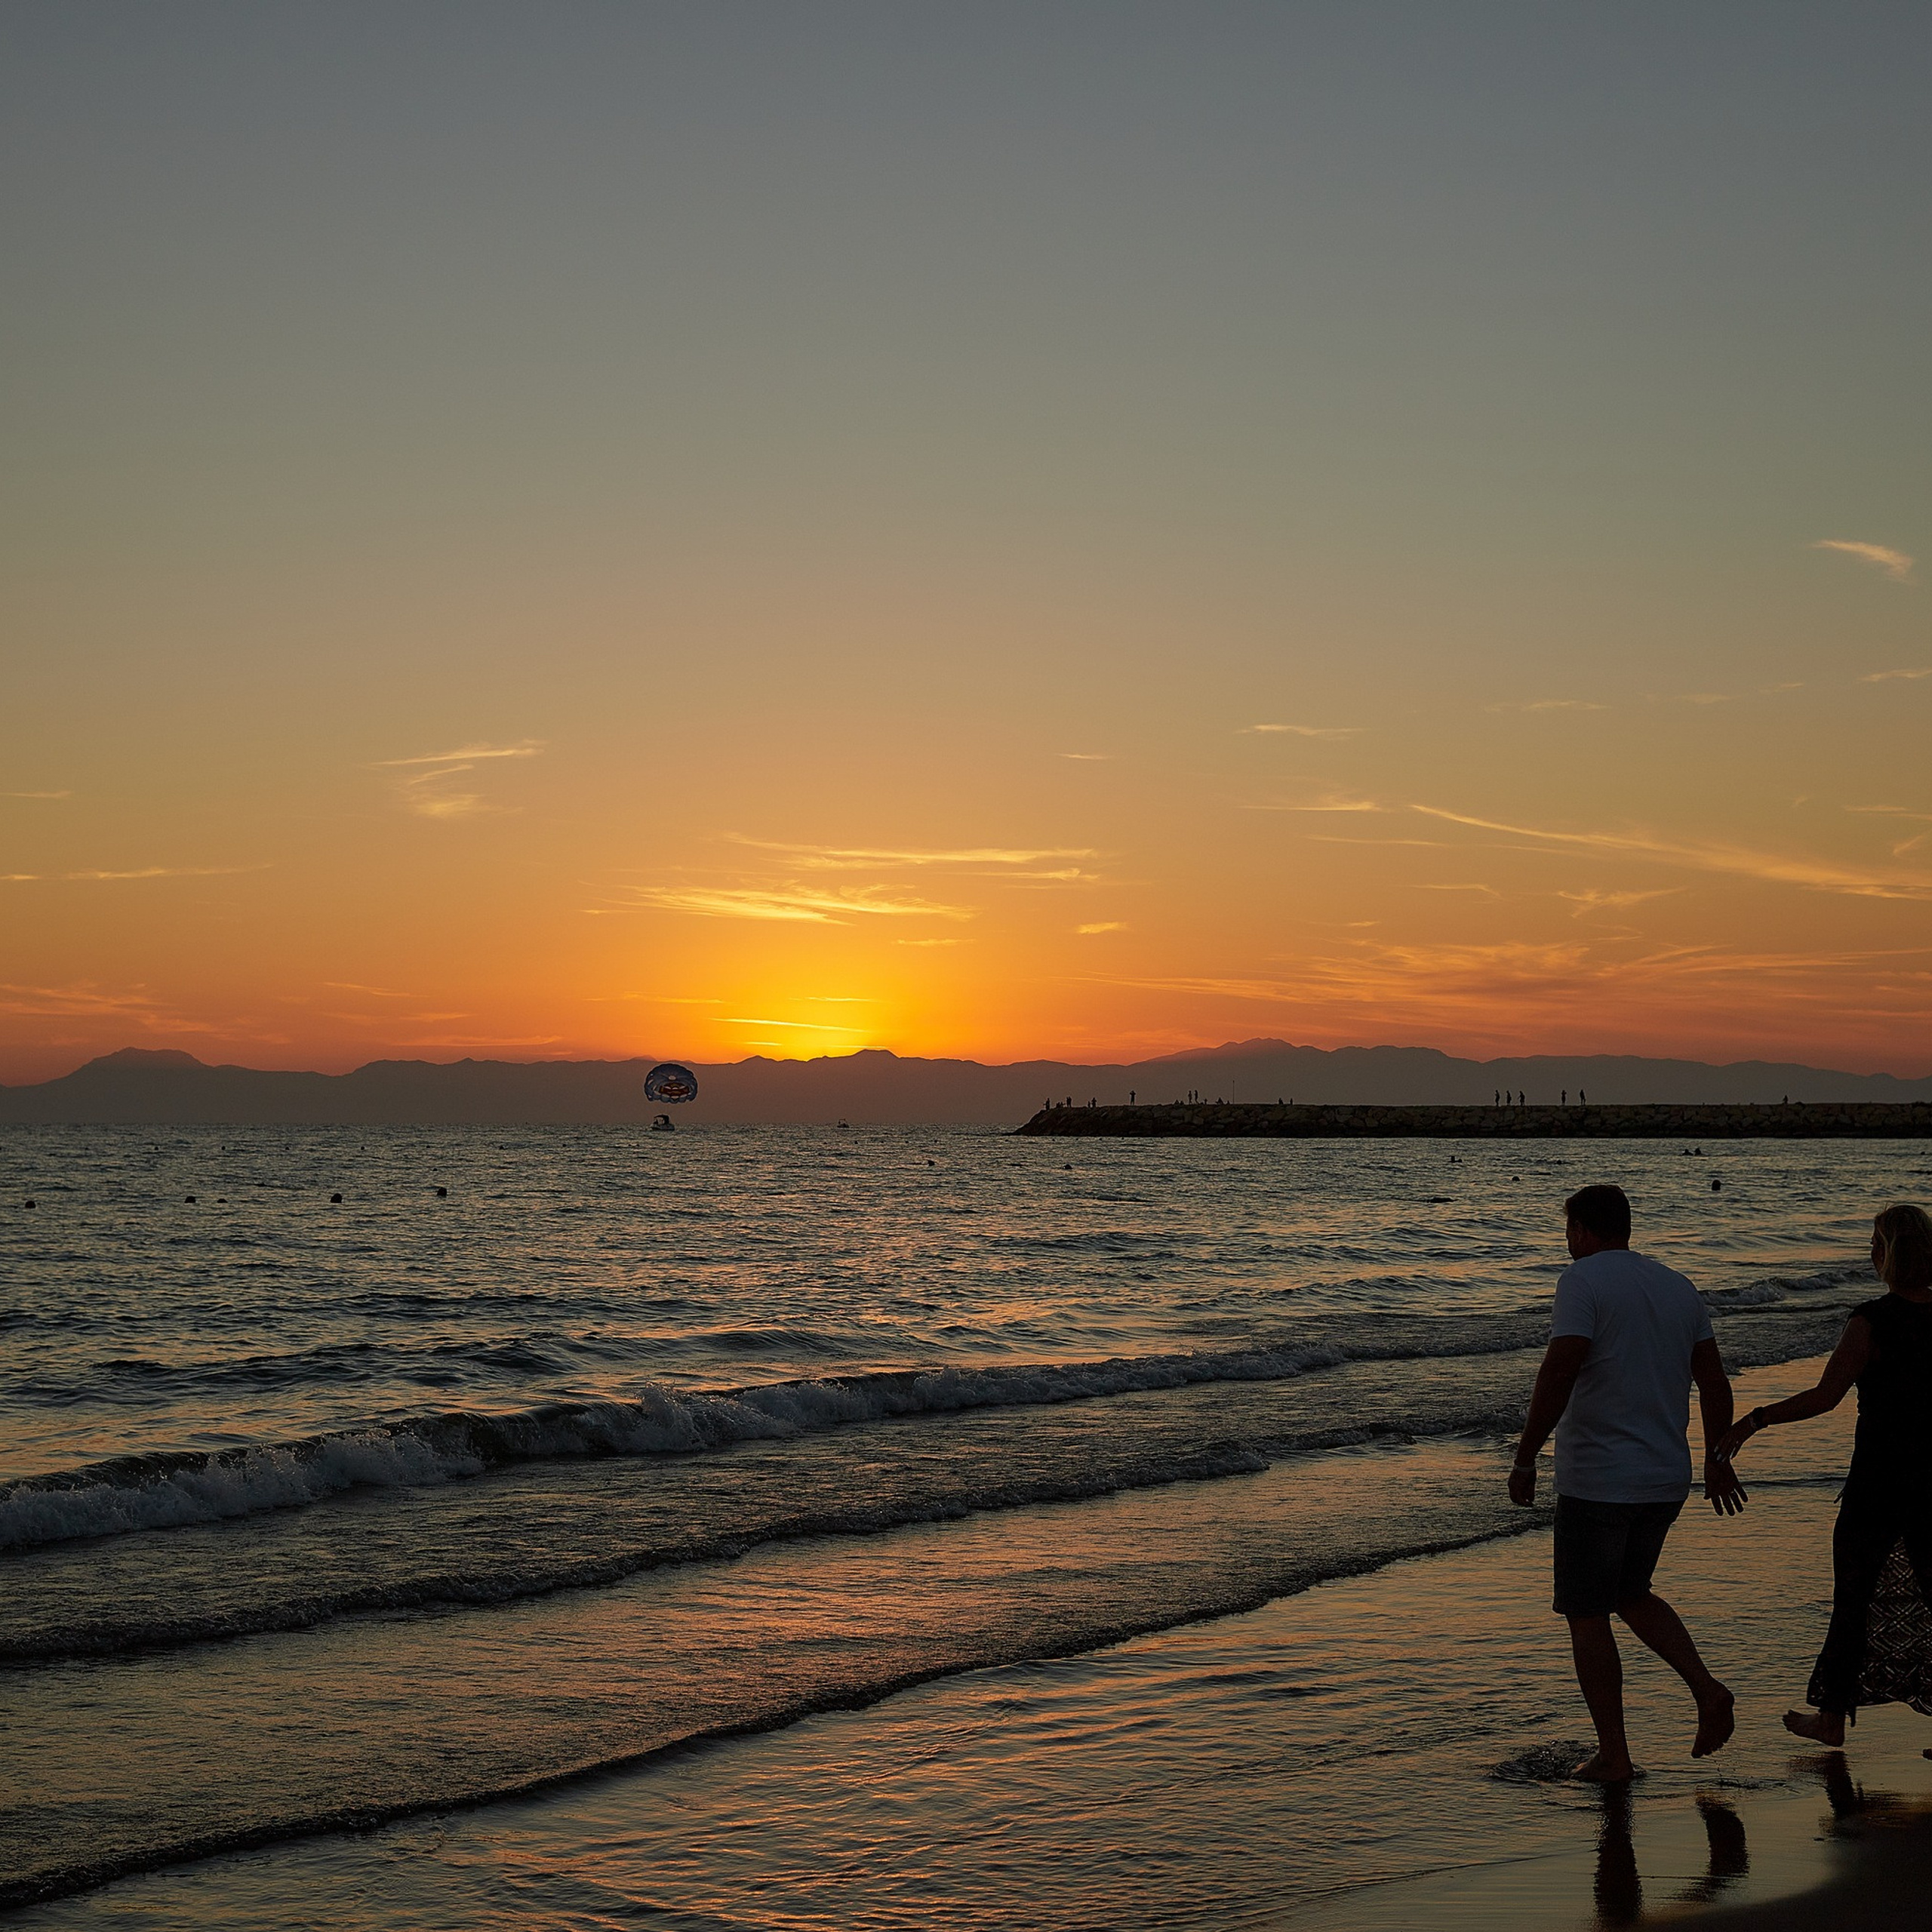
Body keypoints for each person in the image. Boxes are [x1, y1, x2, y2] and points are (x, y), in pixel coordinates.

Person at [1510, 1183, 1746, 1780]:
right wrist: (1718, 1456)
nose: (1569, 1243)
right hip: (1665, 1476)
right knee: (1630, 1592)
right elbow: (1714, 1381)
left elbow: (1561, 1367)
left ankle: (1615, 1753)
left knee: (1587, 1613)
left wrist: (1526, 1454)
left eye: (1569, 1232)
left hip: (1599, 1480)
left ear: (1583, 1232)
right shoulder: (1677, 1286)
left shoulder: (1582, 1281)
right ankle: (1707, 1689)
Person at [1715, 1203, 1932, 1749]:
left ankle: (1832, 1719)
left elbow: (1825, 1397)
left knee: (1854, 1597)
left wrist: (1755, 1419)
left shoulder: (1871, 1320)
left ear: (1882, 1254)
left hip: (1879, 1484)